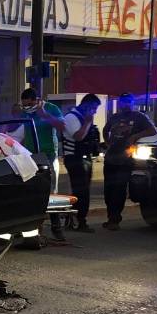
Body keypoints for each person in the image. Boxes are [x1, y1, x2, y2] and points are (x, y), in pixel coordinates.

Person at [17, 88, 68, 240]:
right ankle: (33, 230)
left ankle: (56, 228)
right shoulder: (26, 113)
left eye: (29, 104)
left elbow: (62, 126)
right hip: (29, 157)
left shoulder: (51, 108)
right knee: (30, 193)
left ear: (37, 100)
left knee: (49, 193)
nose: (27, 107)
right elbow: (21, 133)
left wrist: (45, 115)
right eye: (24, 105)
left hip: (47, 156)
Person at [102, 93, 157, 231]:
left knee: (119, 190)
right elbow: (105, 130)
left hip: (125, 159)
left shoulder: (139, 117)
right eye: (123, 102)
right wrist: (108, 143)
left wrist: (134, 137)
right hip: (111, 158)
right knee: (108, 190)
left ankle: (115, 219)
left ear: (133, 103)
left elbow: (152, 131)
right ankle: (110, 217)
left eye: (128, 101)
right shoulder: (115, 117)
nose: (125, 104)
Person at [60, 94, 102, 233]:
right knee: (81, 191)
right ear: (86, 105)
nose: (94, 112)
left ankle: (75, 219)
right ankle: (79, 221)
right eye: (93, 108)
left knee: (83, 191)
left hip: (85, 158)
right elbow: (78, 136)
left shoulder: (83, 117)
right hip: (74, 159)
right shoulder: (71, 117)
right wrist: (88, 122)